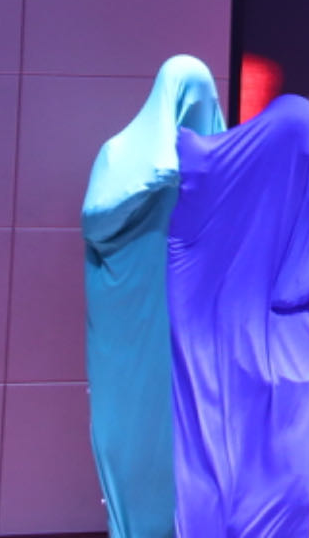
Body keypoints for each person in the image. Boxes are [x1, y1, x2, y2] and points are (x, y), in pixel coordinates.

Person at [168, 94, 309, 538]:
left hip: (215, 343)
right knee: (278, 475)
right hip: (290, 351)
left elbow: (188, 159)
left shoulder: (221, 173)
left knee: (211, 454)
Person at [82, 56, 226, 538]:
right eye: (188, 98)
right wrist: (152, 180)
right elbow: (94, 224)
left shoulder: (222, 163)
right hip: (133, 315)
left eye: (206, 99)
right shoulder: (122, 152)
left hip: (201, 323)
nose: (198, 111)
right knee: (134, 432)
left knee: (197, 436)